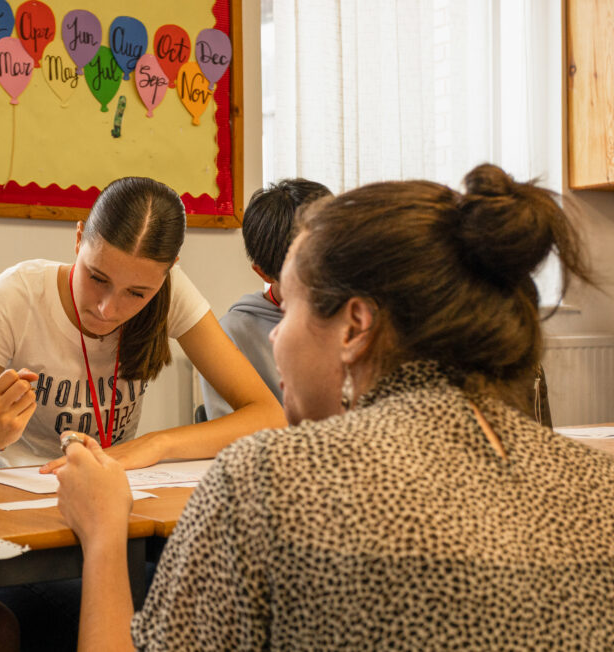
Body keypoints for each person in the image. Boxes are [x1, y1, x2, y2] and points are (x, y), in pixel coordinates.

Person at [56, 163, 614, 649]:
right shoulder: (600, 486)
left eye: (291, 309)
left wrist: (103, 536)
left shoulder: (266, 482)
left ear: (354, 327)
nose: (275, 336)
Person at [0, 176, 286, 473]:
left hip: (110, 486)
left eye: (137, 293)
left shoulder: (171, 291)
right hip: (19, 492)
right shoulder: (16, 296)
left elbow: (269, 416)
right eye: (97, 278)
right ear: (78, 239)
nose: (107, 309)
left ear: (168, 271)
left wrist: (156, 444)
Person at [200, 178, 331, 420]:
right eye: (309, 273)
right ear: (264, 273)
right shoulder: (231, 335)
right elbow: (230, 432)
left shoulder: (359, 313)